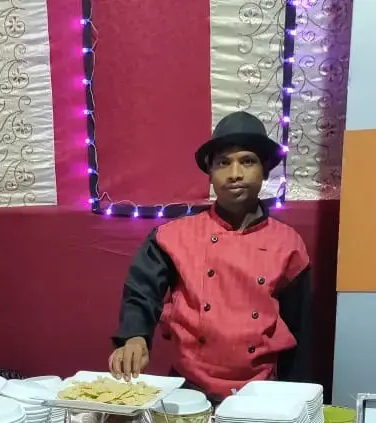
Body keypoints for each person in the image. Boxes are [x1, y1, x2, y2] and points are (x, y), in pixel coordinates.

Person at [109, 111, 313, 401]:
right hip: (190, 390)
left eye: (247, 161)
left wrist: (297, 401)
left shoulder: (288, 244)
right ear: (211, 173)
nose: (234, 174)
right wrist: (135, 336)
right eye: (223, 163)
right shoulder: (172, 236)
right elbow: (142, 291)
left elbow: (299, 332)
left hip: (261, 392)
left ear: (265, 170)